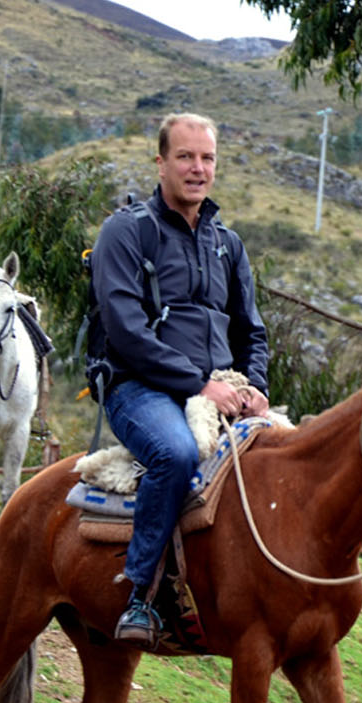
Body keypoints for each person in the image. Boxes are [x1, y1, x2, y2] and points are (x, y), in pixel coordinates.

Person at [88, 112, 269, 648]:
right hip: (137, 387)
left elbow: (251, 330)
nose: (197, 168)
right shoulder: (126, 231)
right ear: (161, 162)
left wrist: (254, 384)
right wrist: (198, 384)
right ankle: (139, 595)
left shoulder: (227, 244)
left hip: (221, 385)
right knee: (175, 452)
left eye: (207, 158)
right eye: (185, 157)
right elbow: (125, 331)